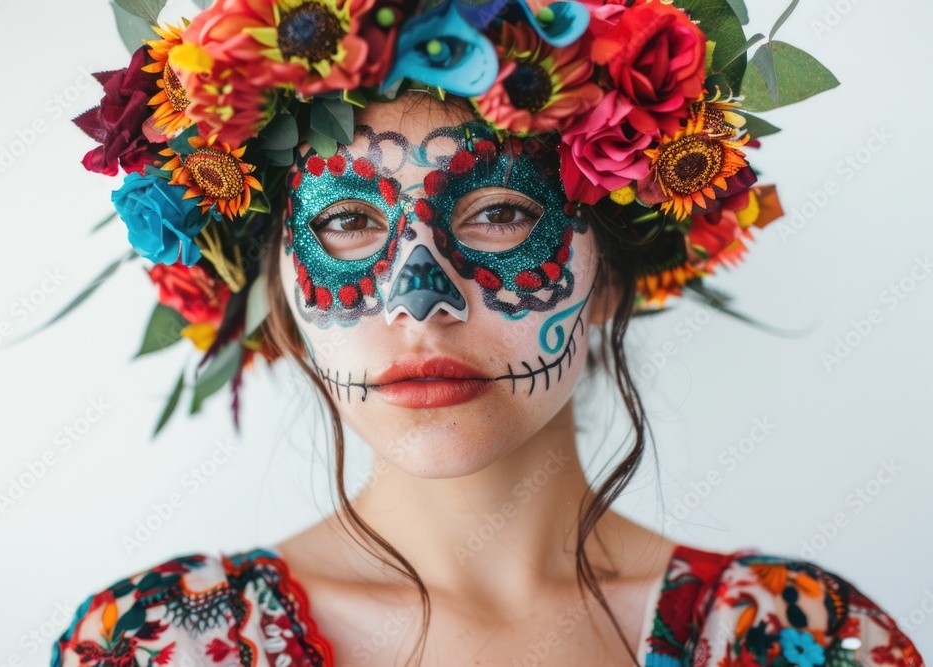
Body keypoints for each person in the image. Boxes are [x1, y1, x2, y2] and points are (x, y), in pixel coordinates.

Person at [52, 1, 926, 665]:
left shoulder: (805, 638)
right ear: (274, 282)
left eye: (502, 212)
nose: (419, 298)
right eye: (347, 223)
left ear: (613, 272)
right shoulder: (151, 643)